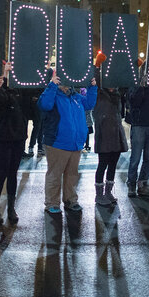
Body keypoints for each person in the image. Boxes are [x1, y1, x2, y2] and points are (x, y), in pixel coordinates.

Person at [39, 68, 97, 213]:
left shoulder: (75, 97)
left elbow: (89, 104)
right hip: (58, 143)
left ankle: (71, 200)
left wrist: (92, 87)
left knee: (72, 175)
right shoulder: (53, 95)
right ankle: (52, 203)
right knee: (55, 174)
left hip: (75, 143)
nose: (66, 84)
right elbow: (44, 105)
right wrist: (52, 85)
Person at [0, 62, 27, 227]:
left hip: (18, 136)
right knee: (2, 172)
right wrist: (0, 84)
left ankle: (11, 207)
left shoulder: (20, 87)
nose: (11, 69)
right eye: (7, 67)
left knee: (13, 173)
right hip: (2, 137)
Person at [92, 69, 128, 206]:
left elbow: (127, 83)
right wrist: (97, 66)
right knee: (102, 165)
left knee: (113, 164)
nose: (112, 85)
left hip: (116, 134)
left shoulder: (117, 95)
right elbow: (95, 80)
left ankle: (108, 192)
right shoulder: (99, 94)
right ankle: (99, 195)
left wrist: (137, 69)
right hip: (104, 134)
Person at [125, 64, 149, 197]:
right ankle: (132, 184)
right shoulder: (135, 83)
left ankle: (143, 183)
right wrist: (141, 87)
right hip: (139, 124)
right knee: (136, 157)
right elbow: (133, 101)